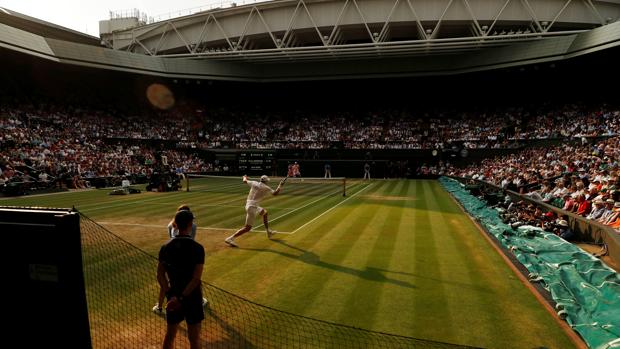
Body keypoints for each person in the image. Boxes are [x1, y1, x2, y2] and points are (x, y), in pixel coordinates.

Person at [157, 210, 205, 349]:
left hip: (173, 296)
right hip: (193, 297)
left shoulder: (165, 247)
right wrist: (182, 298)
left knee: (170, 335)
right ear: (190, 224)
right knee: (194, 340)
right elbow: (196, 279)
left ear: (175, 225)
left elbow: (160, 275)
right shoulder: (198, 248)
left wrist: (170, 296)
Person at [154, 205, 205, 314]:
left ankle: (159, 306)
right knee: (195, 280)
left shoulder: (170, 226)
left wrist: (170, 295)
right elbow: (191, 239)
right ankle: (199, 301)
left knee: (167, 282)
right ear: (189, 222)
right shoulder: (194, 228)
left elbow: (159, 274)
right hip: (188, 255)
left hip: (172, 255)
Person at [225, 175, 284, 247]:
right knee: (247, 228)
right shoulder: (266, 187)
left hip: (250, 205)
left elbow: (244, 180)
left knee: (265, 213)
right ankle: (230, 238)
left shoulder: (254, 183)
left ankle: (268, 232)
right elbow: (275, 193)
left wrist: (244, 176)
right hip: (252, 207)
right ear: (266, 181)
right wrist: (280, 185)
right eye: (267, 181)